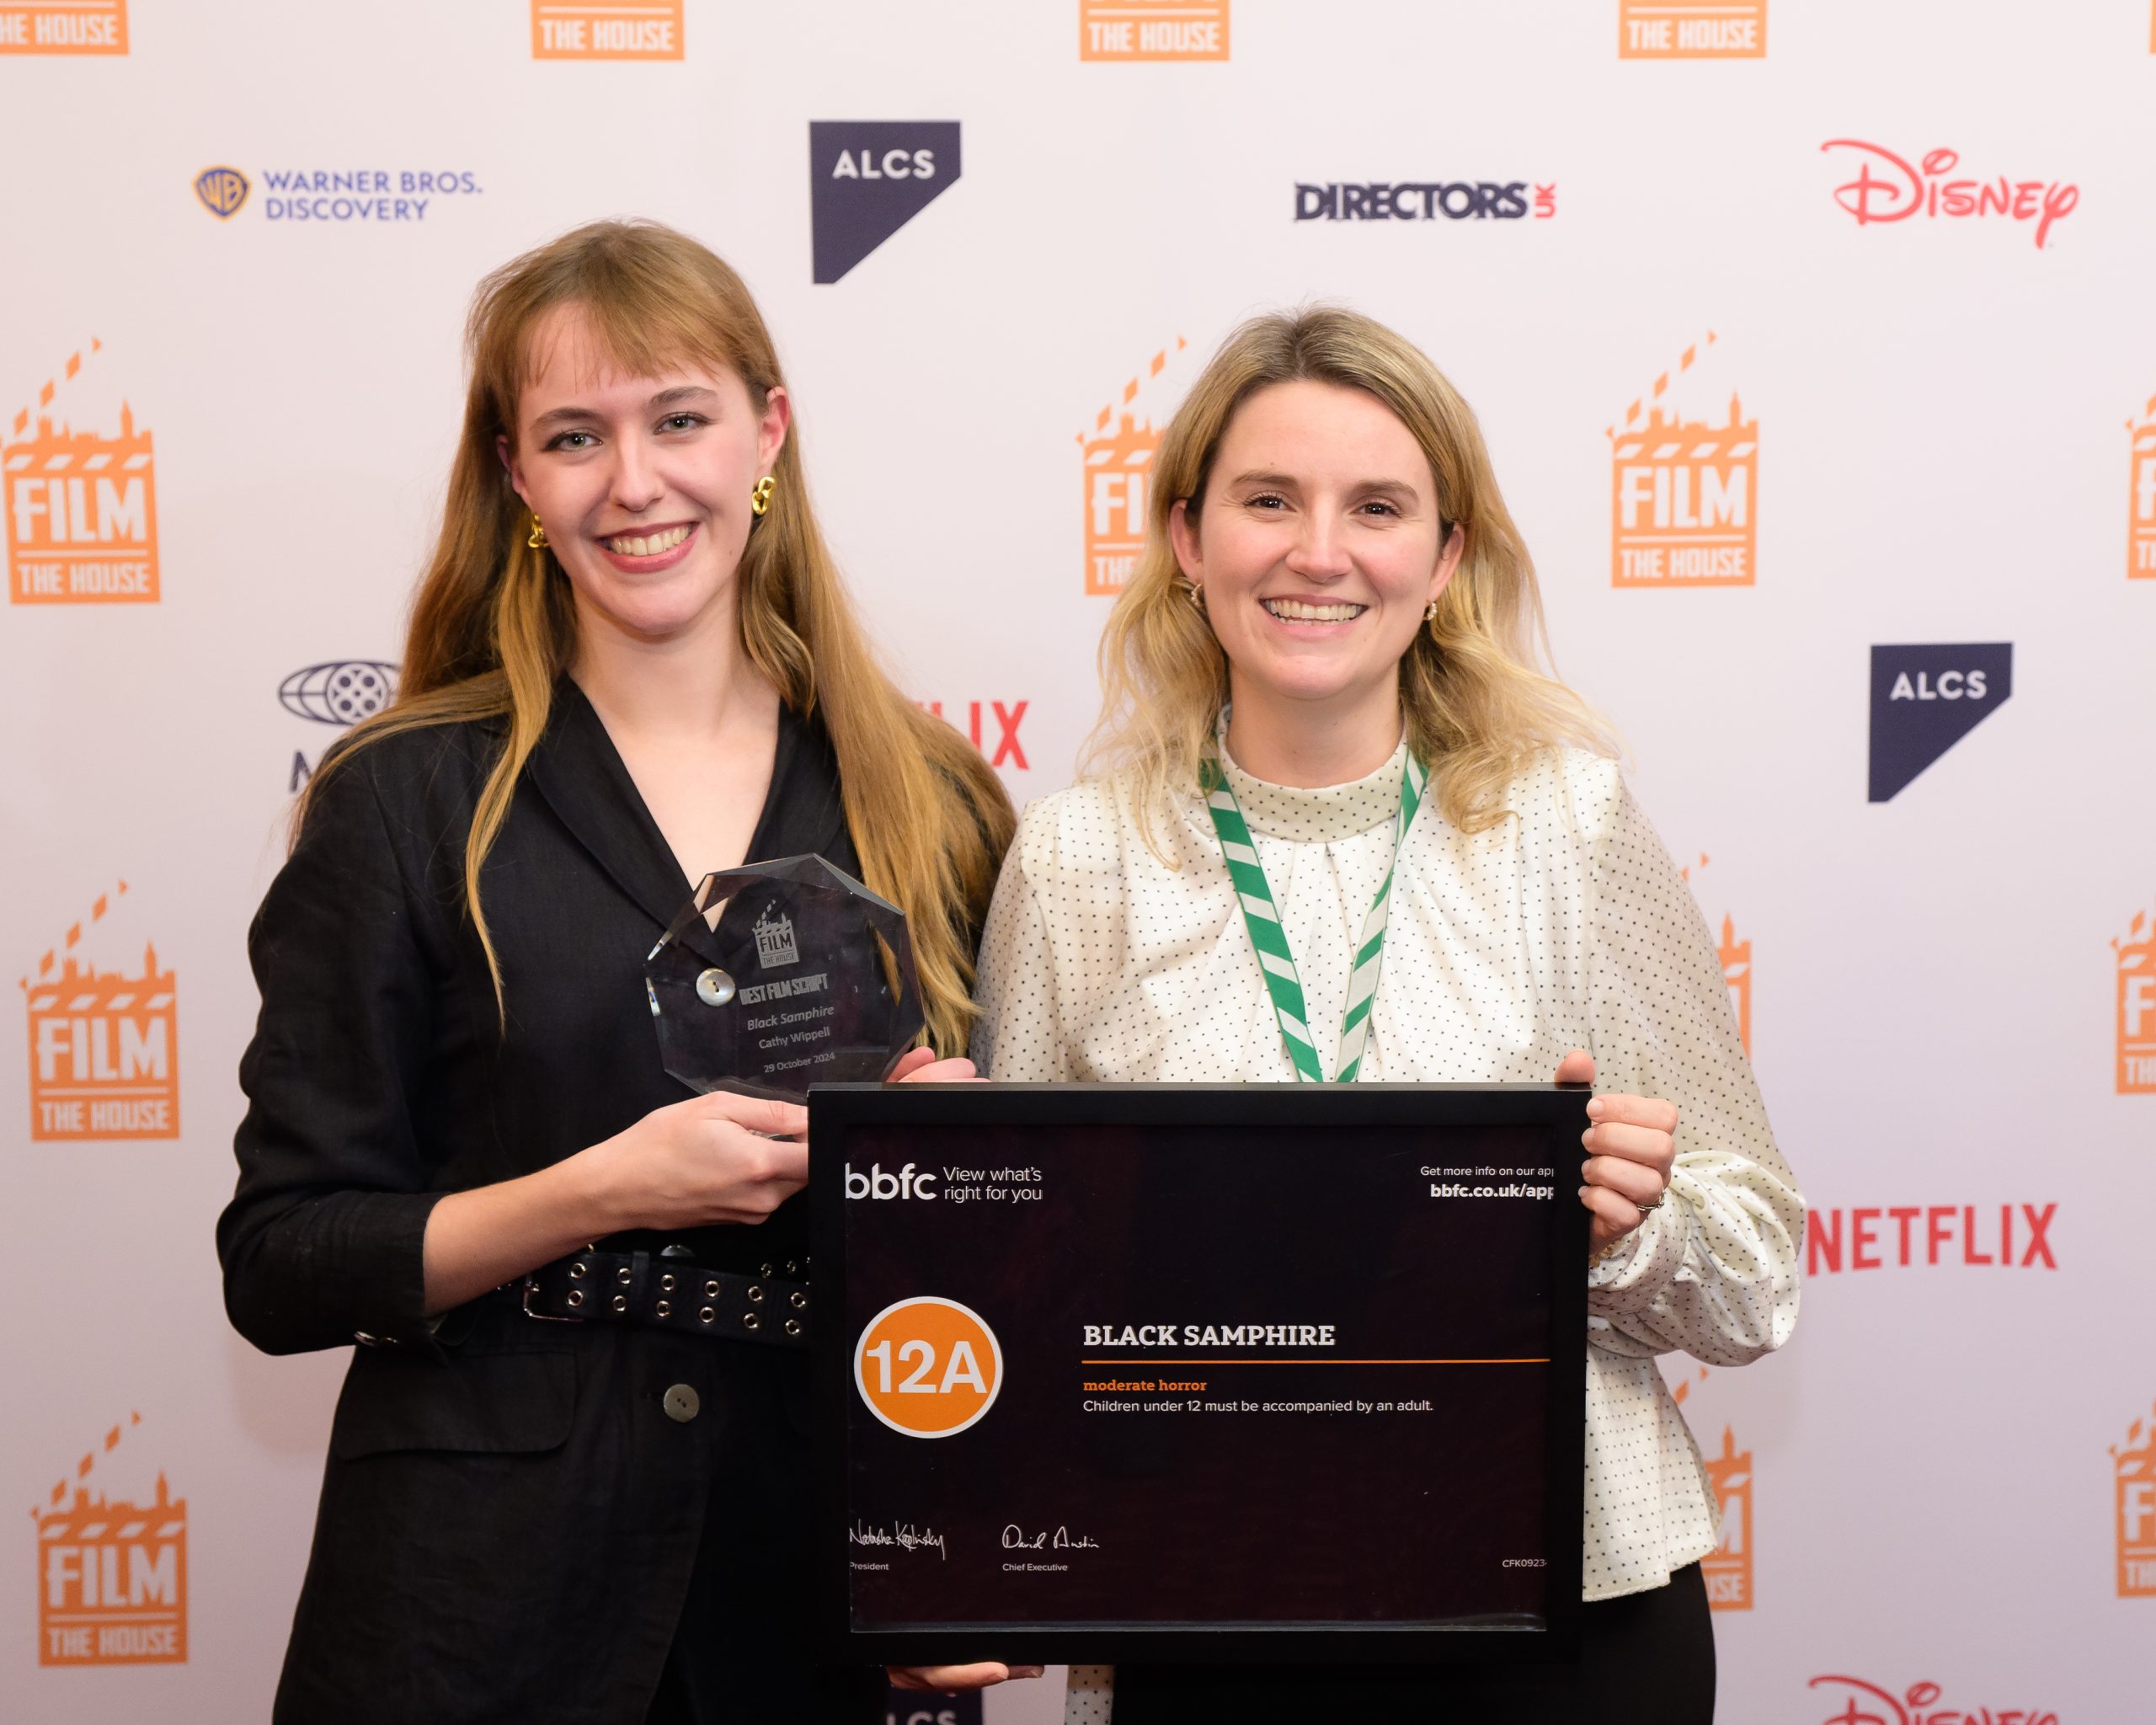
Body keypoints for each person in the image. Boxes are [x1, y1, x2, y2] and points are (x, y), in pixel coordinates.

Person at [218, 221, 1033, 1723]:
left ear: (766, 435)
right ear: (518, 478)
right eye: (575, 436)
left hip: (807, 1589)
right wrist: (603, 1189)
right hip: (475, 1612)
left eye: (679, 420)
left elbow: (992, 1272)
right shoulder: (403, 798)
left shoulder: (929, 798)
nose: (634, 482)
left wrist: (952, 1167)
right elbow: (284, 1261)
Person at [970, 307, 1803, 1724]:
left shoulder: (1567, 825)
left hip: (1560, 1609)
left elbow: (1759, 1273)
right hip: (1209, 1596)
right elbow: (1019, 1298)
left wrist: (1629, 1230)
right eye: (1267, 500)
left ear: (1446, 558)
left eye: (1376, 507)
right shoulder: (1077, 859)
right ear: (1186, 540)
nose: (1319, 552)